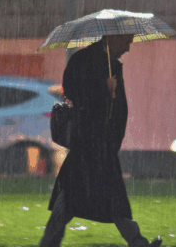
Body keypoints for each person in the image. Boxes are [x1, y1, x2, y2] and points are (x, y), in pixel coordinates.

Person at [39, 34, 161, 247]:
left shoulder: (109, 63)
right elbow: (75, 94)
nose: (128, 48)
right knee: (101, 197)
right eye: (126, 41)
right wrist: (104, 89)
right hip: (90, 143)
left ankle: (50, 242)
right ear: (113, 39)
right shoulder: (84, 61)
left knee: (80, 197)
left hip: (101, 144)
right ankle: (137, 242)